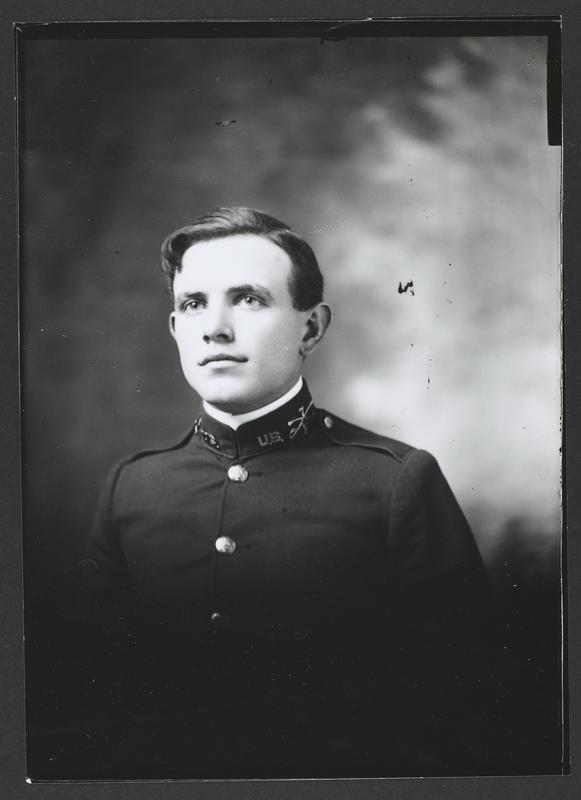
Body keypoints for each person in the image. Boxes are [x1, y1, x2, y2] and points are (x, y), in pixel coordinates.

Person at [77, 207, 492, 779]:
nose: (215, 328)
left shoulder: (396, 480)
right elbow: (88, 697)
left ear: (311, 328)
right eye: (193, 304)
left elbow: (464, 708)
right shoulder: (131, 485)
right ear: (175, 329)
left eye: (248, 299)